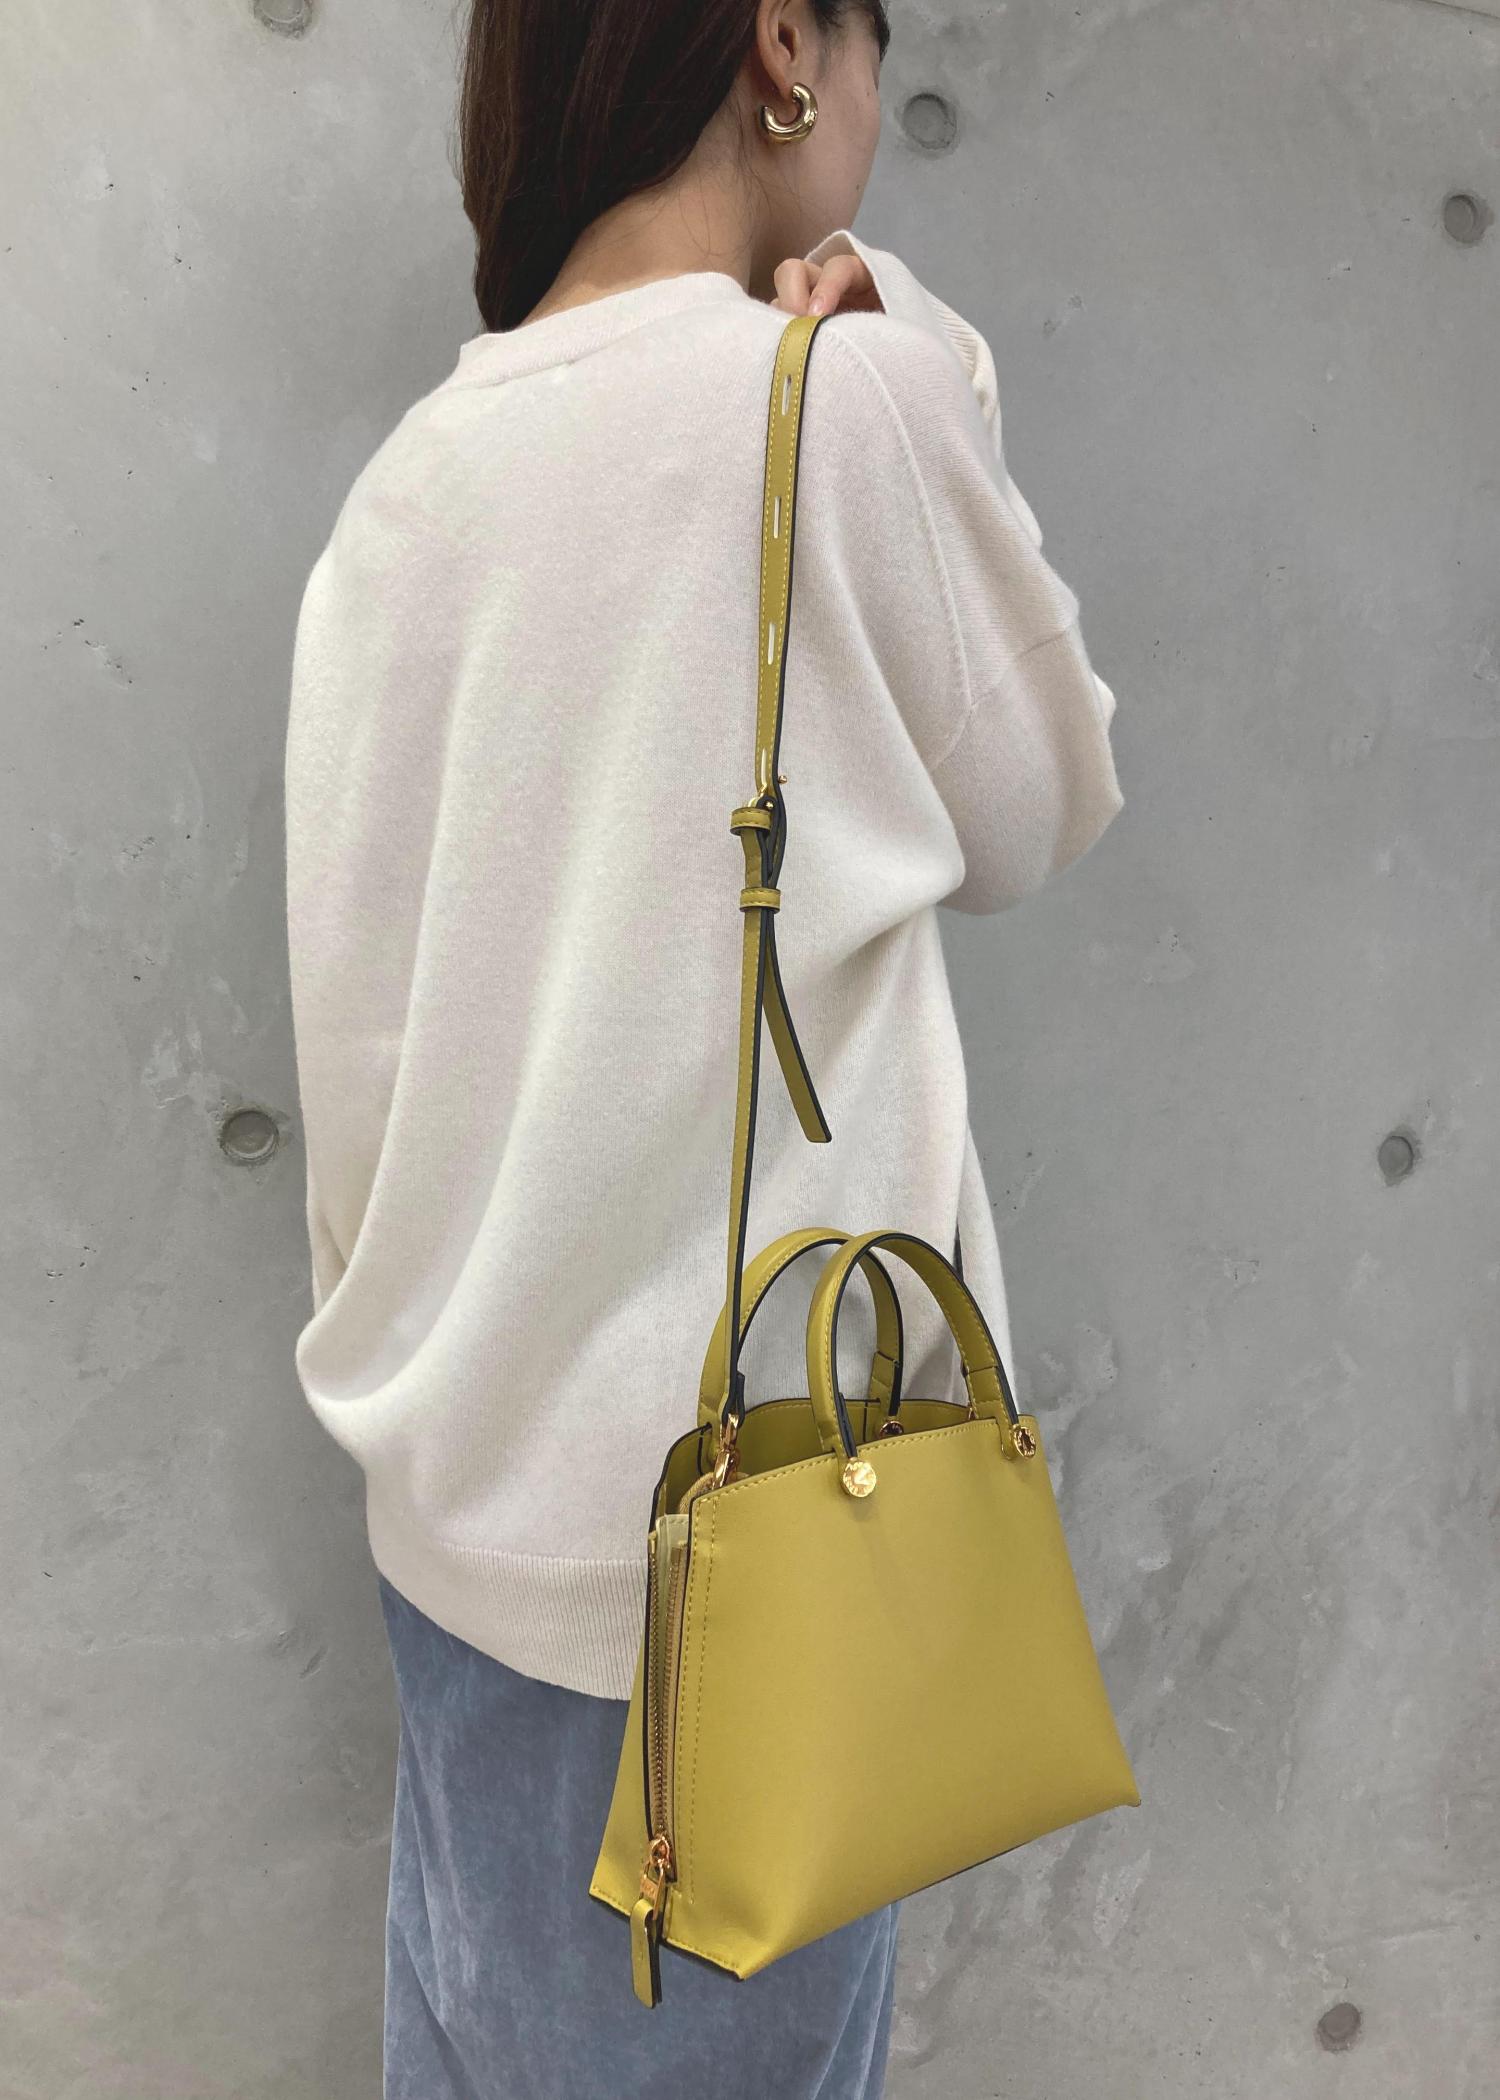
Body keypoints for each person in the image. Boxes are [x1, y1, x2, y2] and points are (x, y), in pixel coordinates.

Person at [282, 1, 1124, 2093]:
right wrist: (915, 335)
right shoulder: (837, 400)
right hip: (739, 1577)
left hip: (456, 1525)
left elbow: (370, 1015)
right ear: (783, 42)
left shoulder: (414, 479)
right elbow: (1045, 797)